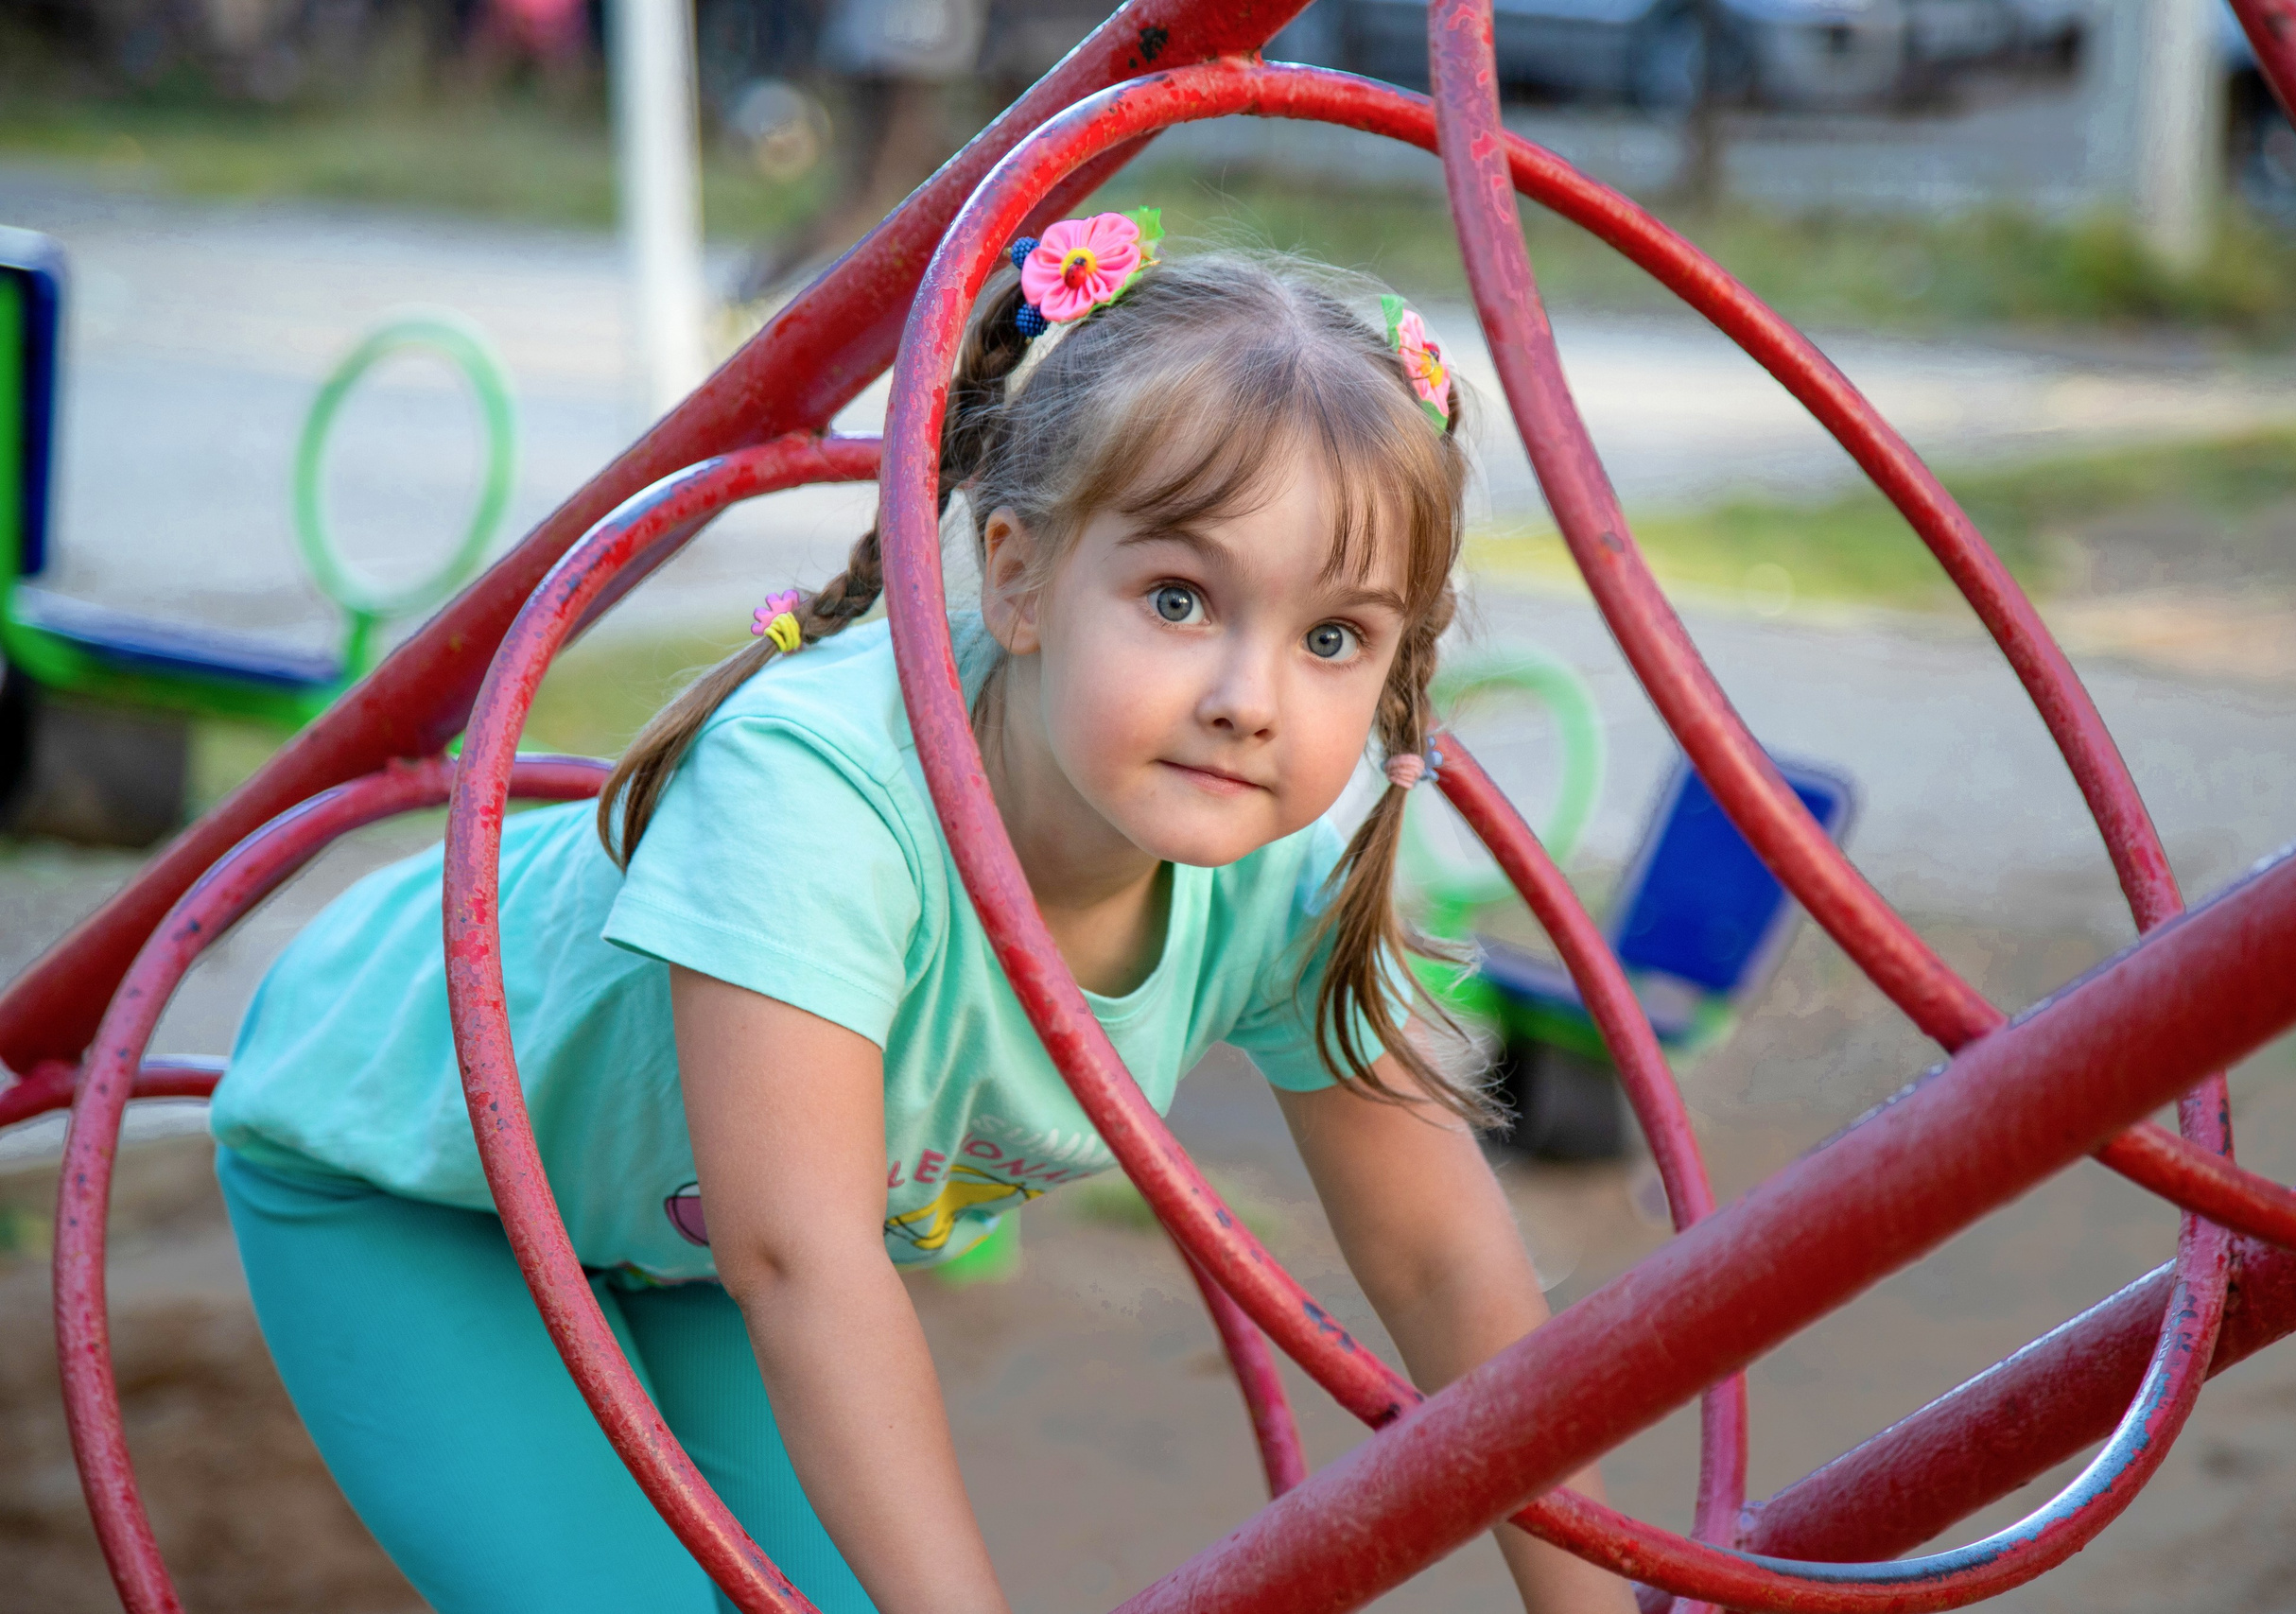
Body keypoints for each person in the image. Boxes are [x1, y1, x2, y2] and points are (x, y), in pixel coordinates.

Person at [209, 217, 1636, 1614]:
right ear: (1015, 575)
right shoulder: (817, 795)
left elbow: (1445, 1264)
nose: (1250, 700)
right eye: (1181, 598)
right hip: (403, 1167)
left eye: (1335, 637)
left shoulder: (1288, 862)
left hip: (680, 1237)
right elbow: (803, 1261)